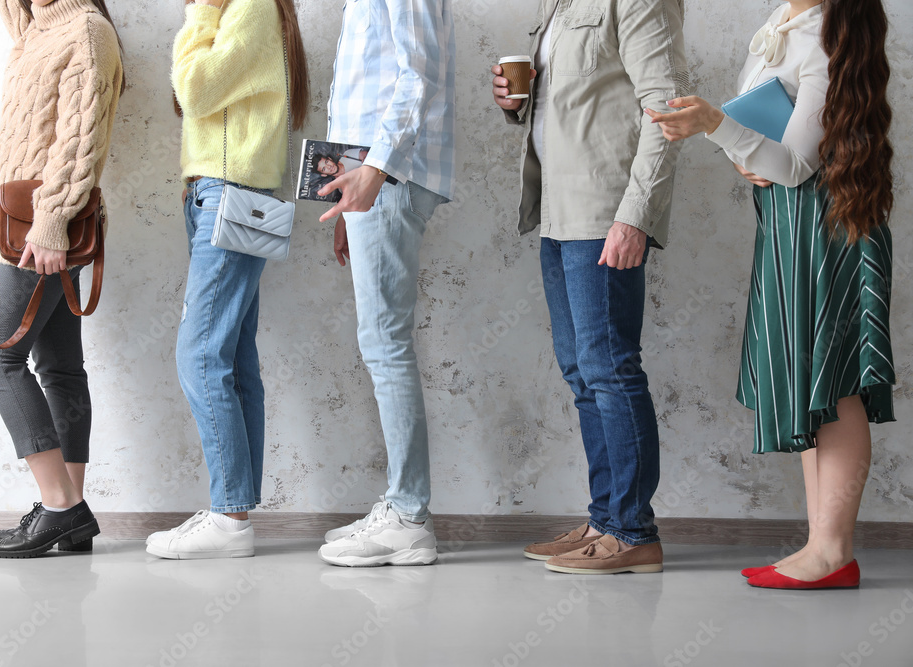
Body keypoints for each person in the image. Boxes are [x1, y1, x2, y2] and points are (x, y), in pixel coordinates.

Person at [649, 0, 895, 589]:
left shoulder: (824, 39)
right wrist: (739, 150)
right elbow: (776, 148)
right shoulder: (788, 25)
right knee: (813, 378)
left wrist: (716, 125)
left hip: (827, 225)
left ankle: (832, 552)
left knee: (833, 380)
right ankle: (822, 548)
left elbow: (791, 164)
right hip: (791, 222)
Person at [491, 0, 688, 575]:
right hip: (557, 207)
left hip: (604, 210)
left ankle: (633, 532)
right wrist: (515, 104)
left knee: (610, 367)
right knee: (582, 372)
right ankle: (606, 519)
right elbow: (571, 101)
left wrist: (636, 215)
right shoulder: (560, 4)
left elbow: (667, 110)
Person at [144, 0, 310, 559]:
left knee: (200, 355)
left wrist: (201, 12)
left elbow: (194, 88)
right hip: (219, 193)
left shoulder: (249, 7)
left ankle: (229, 518)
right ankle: (233, 509)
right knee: (234, 358)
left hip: (228, 192)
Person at [0, 0, 124, 559]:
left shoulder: (87, 30)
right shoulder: (38, 30)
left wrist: (53, 221)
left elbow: (78, 139)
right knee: (59, 366)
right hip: (35, 225)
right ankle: (73, 516)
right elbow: (18, 18)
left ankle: (60, 504)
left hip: (43, 228)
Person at [316, 0, 455, 567]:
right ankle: (402, 507)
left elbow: (417, 74)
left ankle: (409, 515)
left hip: (390, 176)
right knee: (383, 341)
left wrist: (375, 169)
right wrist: (355, 193)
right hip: (375, 178)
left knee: (385, 343)